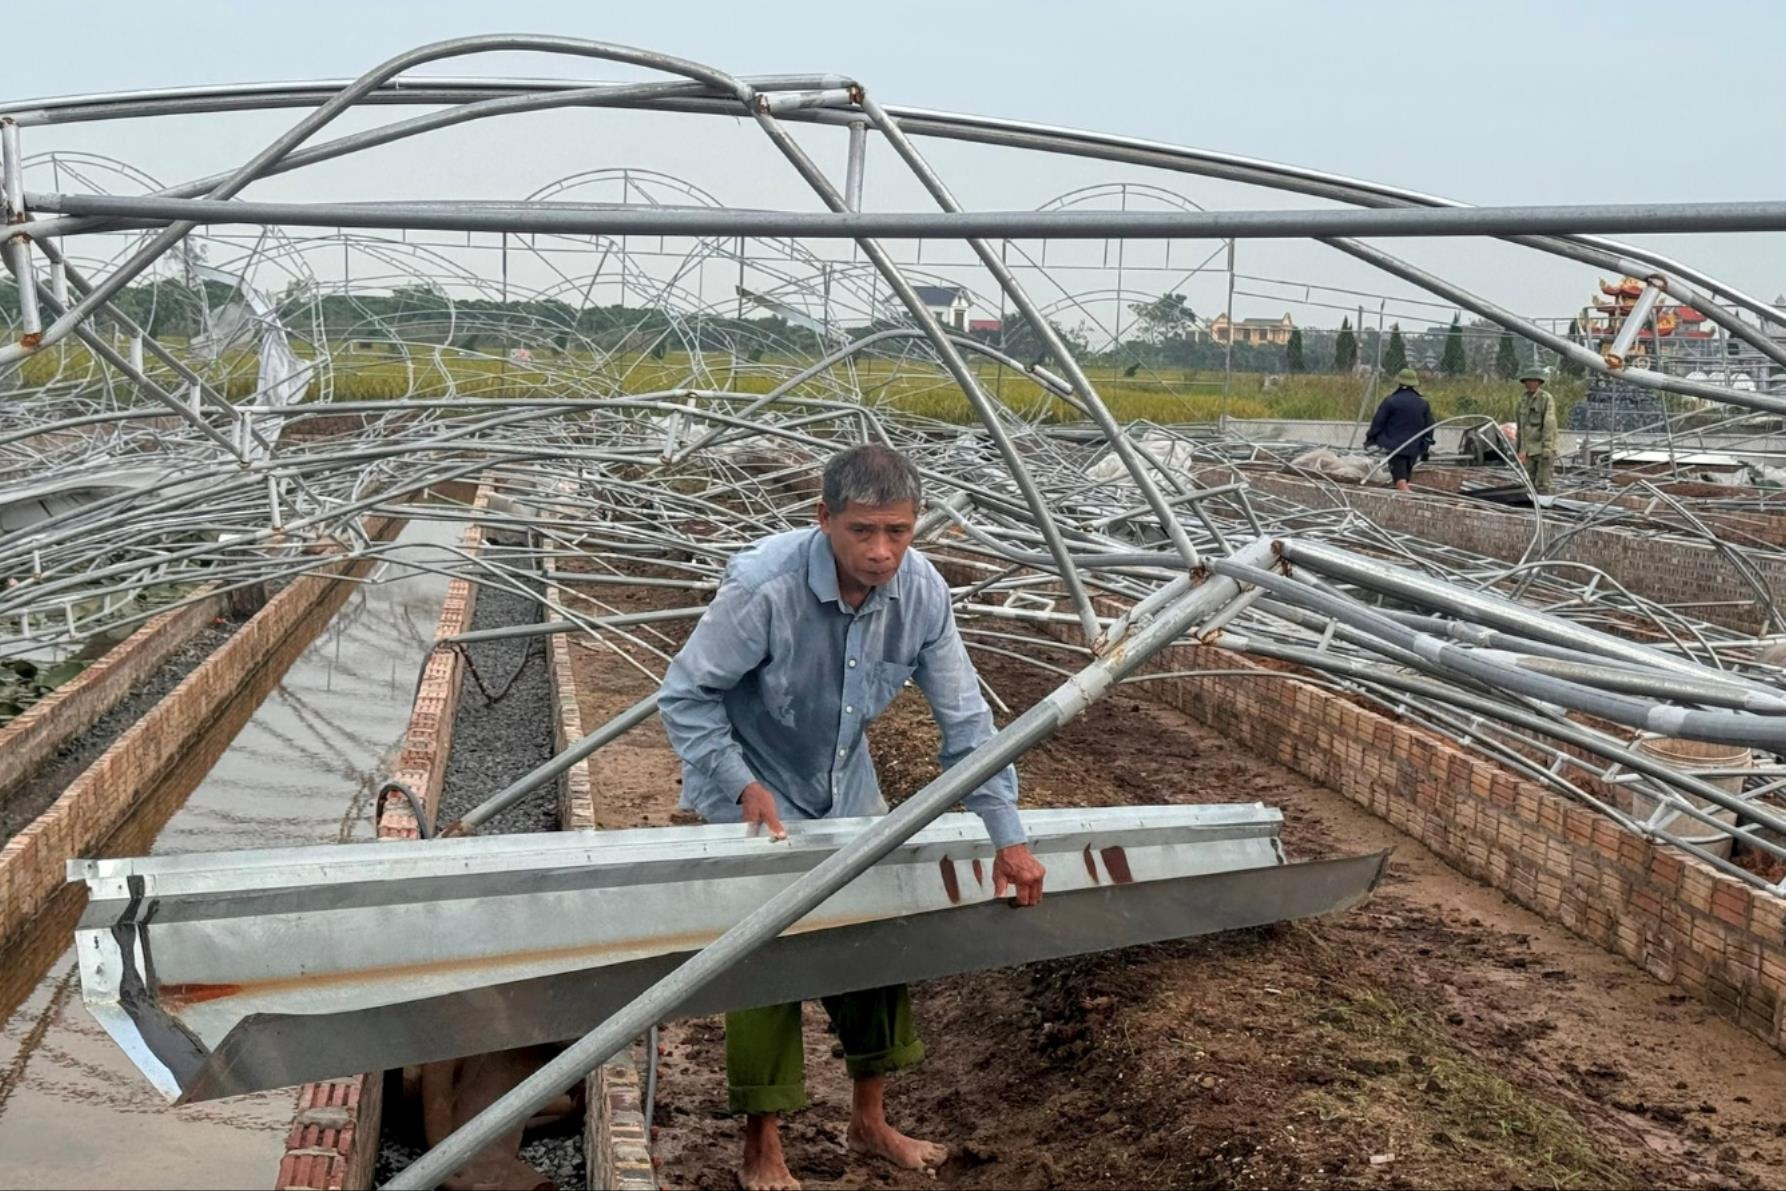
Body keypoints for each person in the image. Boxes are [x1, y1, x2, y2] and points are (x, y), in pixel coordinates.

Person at [659, 443, 1048, 1191]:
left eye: (898, 531)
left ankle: (869, 1120)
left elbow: (967, 725)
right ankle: (762, 1142)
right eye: (862, 531)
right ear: (824, 518)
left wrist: (1010, 838)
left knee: (872, 935)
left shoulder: (923, 594)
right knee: (764, 947)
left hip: (843, 780)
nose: (880, 551)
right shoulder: (763, 587)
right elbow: (685, 694)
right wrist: (740, 783)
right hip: (747, 781)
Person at [1364, 367, 1436, 491]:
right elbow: (1429, 427)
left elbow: (1378, 423)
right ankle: (1404, 494)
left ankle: (1409, 498)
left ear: (1399, 382)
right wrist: (1425, 447)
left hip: (1394, 447)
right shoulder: (1423, 403)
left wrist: (1371, 439)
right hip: (1414, 447)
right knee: (1405, 475)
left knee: (1400, 479)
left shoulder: (1391, 401)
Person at [1515, 365, 1560, 495]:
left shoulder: (1546, 399)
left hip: (1542, 448)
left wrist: (1547, 447)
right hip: (1528, 450)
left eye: (1533, 381)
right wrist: (1519, 450)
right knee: (1527, 482)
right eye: (1527, 381)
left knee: (1543, 484)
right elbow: (1521, 427)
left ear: (1539, 382)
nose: (1530, 384)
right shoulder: (1522, 401)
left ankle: (1544, 509)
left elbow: (1549, 424)